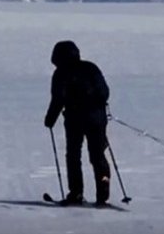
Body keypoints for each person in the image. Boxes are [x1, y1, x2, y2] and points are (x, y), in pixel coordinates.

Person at [44, 40, 111, 206]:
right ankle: (103, 193)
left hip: (75, 120)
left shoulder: (61, 73)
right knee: (97, 155)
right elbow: (104, 92)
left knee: (73, 156)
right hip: (97, 118)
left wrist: (50, 119)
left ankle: (76, 193)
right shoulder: (91, 67)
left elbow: (58, 99)